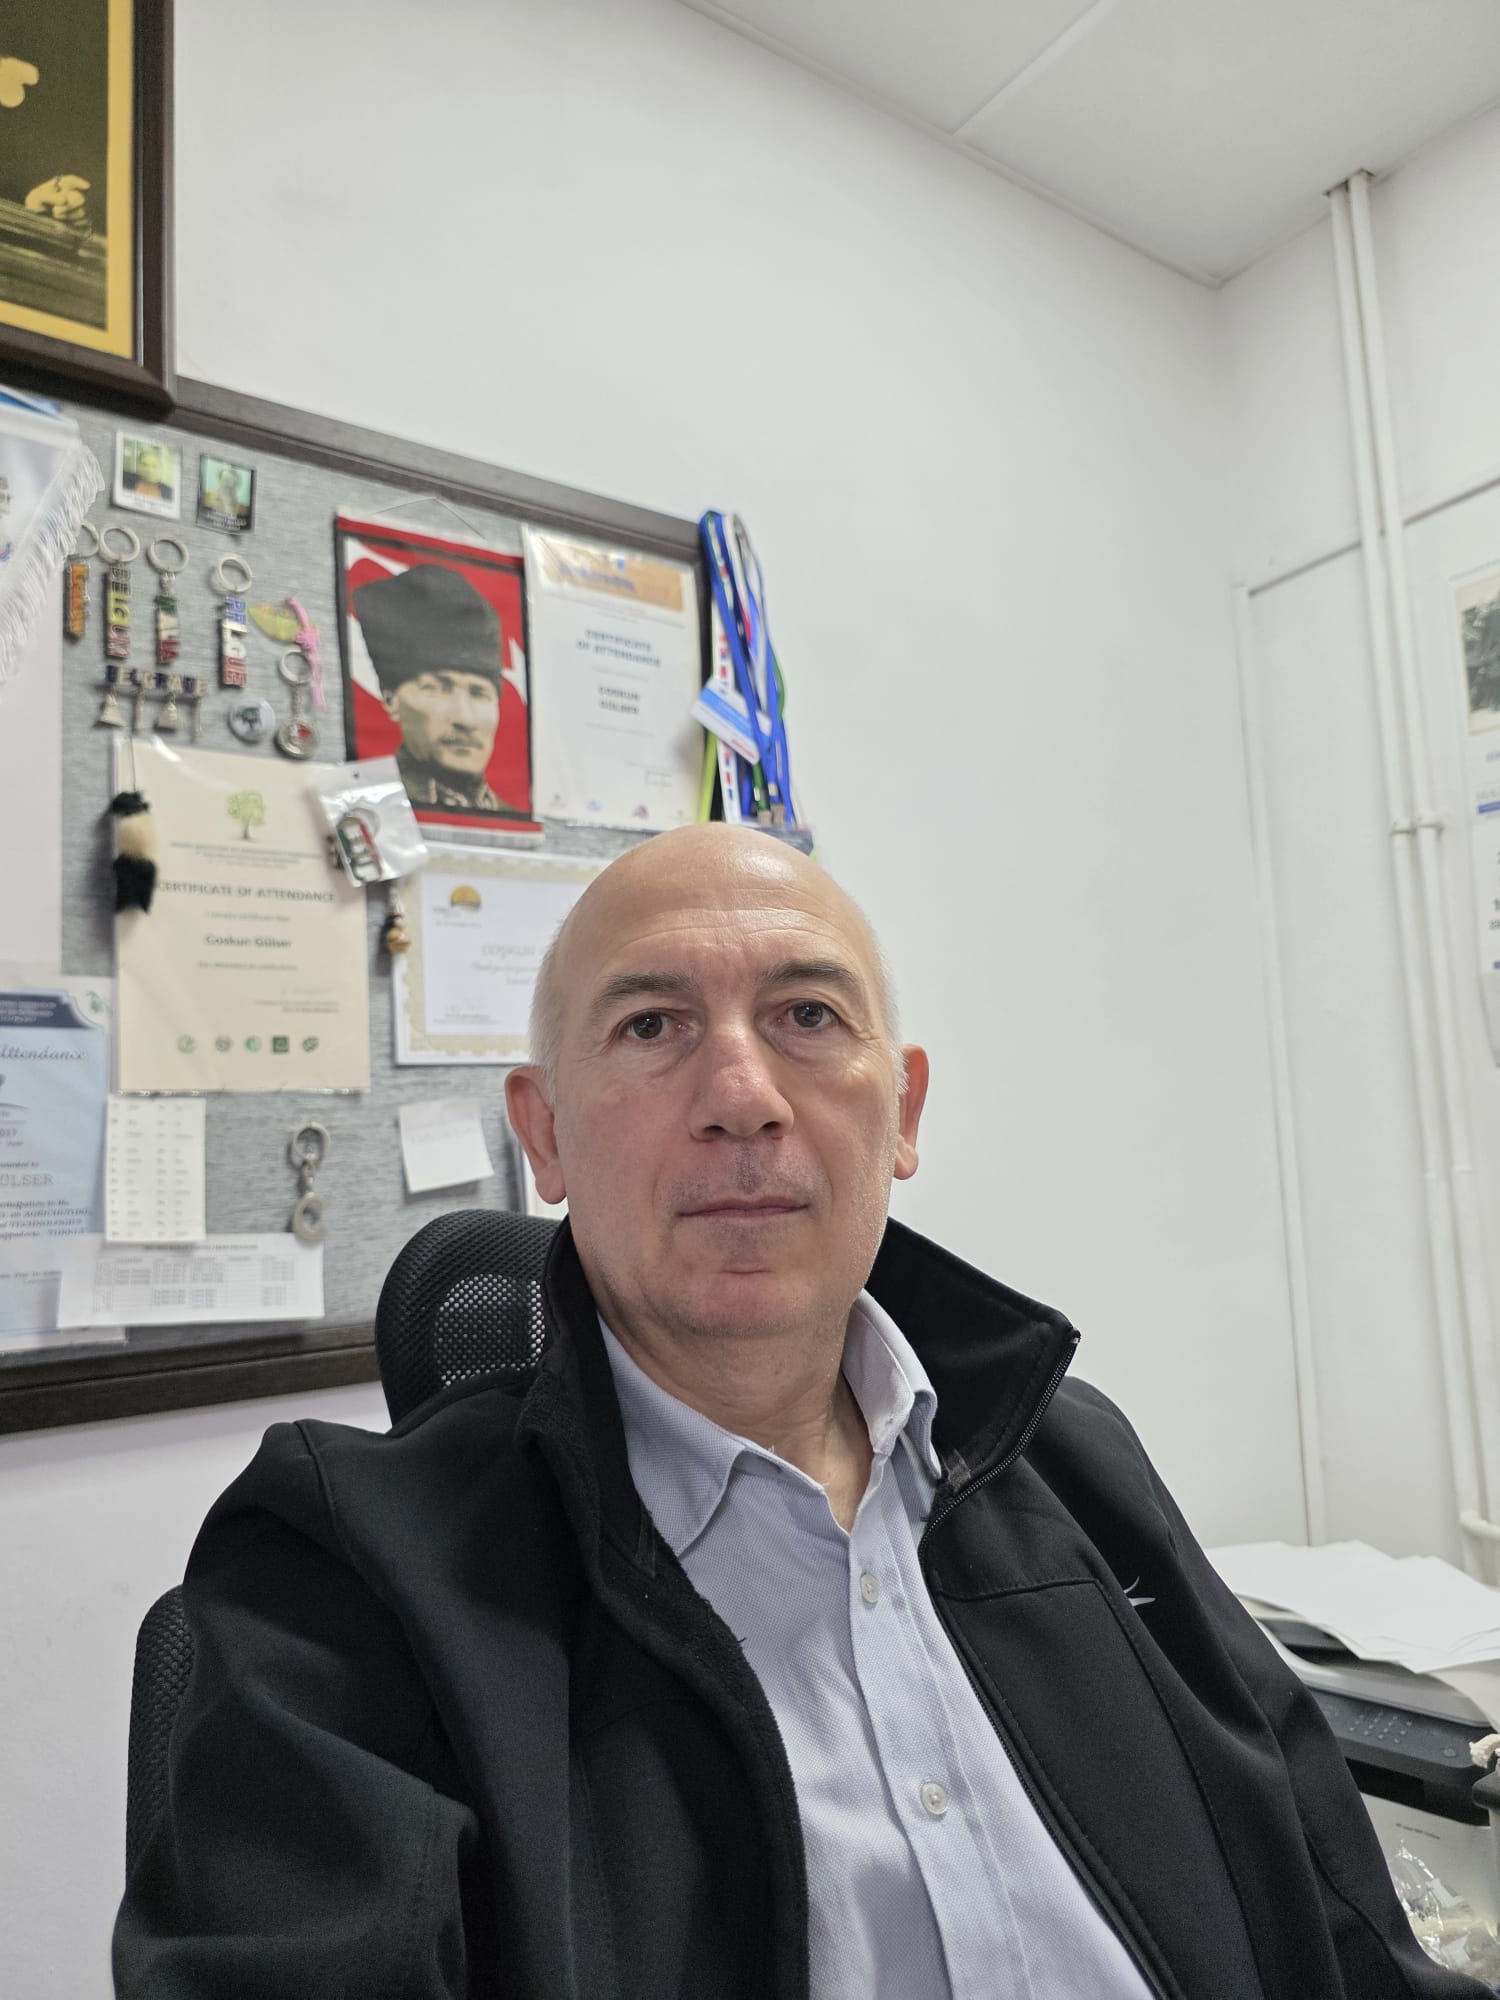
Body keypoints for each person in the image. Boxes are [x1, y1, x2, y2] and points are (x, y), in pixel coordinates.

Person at [114, 826, 1484, 1998]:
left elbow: (1344, 1925)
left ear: (904, 1111)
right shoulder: (348, 1568)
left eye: (809, 1017)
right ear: (545, 1134)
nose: (742, 1098)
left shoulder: (1074, 1461)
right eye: (652, 1026)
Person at [355, 561, 515, 814]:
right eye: (439, 689)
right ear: (391, 700)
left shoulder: (511, 818)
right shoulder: (366, 808)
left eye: (479, 693)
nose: (465, 719)